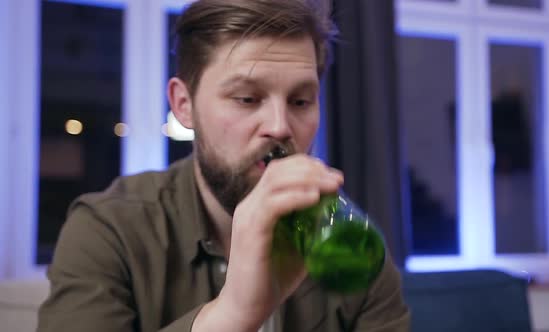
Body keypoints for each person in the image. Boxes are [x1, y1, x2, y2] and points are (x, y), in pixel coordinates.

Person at [37, 0, 410, 331]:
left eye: (300, 101)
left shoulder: (351, 246)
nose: (280, 126)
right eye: (247, 98)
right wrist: (233, 315)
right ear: (184, 105)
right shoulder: (108, 231)